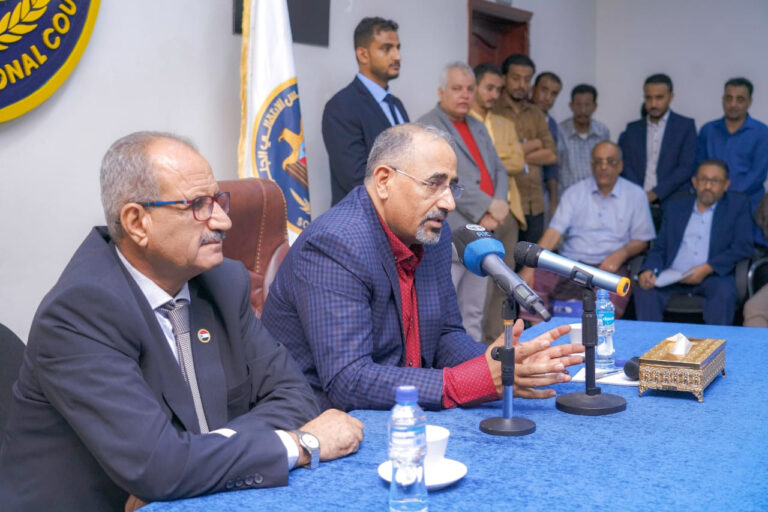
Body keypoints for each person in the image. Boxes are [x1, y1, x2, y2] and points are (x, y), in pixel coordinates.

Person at [0, 132, 364, 511]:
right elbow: (158, 467)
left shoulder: (223, 282)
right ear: (137, 222)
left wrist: (192, 466)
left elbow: (295, 397)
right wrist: (300, 443)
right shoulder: (79, 313)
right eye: (198, 205)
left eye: (217, 201)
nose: (223, 220)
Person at [261, 123, 584, 412]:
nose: (449, 203)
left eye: (451, 186)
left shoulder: (432, 237)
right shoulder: (336, 244)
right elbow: (349, 380)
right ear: (384, 180)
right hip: (320, 421)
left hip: (402, 408)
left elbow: (444, 335)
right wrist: (472, 381)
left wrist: (506, 364)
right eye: (433, 184)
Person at [418, 62, 510, 340]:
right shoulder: (427, 126)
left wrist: (499, 204)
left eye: (469, 89)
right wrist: (486, 207)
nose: (465, 95)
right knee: (444, 313)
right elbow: (440, 178)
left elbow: (499, 169)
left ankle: (473, 362)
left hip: (484, 231)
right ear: (441, 92)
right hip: (451, 231)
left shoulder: (477, 125)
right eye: (457, 88)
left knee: (474, 311)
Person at [520, 141, 655, 318]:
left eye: (610, 162)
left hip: (609, 265)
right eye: (598, 162)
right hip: (570, 263)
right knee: (530, 283)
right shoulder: (574, 192)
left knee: (608, 298)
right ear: (591, 165)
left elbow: (642, 240)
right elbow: (554, 232)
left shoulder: (635, 195)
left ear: (620, 166)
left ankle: (599, 336)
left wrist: (621, 254)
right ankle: (541, 334)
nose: (603, 167)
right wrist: (530, 267)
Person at [635, 160, 753, 325]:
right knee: (645, 291)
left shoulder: (736, 207)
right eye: (703, 179)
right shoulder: (676, 206)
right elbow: (660, 247)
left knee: (724, 292)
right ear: (694, 182)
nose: (708, 186)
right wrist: (649, 269)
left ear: (726, 185)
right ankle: (650, 341)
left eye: (715, 181)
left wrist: (707, 268)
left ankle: (715, 341)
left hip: (712, 275)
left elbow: (743, 246)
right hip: (672, 274)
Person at [468, 62, 526, 343]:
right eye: (489, 88)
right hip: (474, 214)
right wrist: (498, 159)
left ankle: (495, 341)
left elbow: (518, 162)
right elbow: (470, 169)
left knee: (503, 282)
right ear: (474, 87)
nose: (494, 95)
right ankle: (473, 344)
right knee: (474, 282)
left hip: (508, 213)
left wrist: (493, 160)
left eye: (498, 89)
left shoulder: (505, 123)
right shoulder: (462, 123)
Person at [322, 17, 409, 205]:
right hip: (360, 217)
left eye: (398, 48)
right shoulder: (341, 106)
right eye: (387, 48)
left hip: (398, 215)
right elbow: (355, 178)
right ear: (363, 55)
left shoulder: (396, 104)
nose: (397, 56)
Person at [493, 53, 557, 249]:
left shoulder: (536, 113)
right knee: (503, 262)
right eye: (516, 78)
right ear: (504, 79)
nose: (522, 84)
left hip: (534, 204)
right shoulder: (493, 111)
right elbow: (495, 157)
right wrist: (534, 143)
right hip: (506, 205)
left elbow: (551, 155)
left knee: (530, 261)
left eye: (527, 79)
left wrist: (513, 156)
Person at [697, 77, 768, 245]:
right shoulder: (708, 130)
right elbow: (698, 167)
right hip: (709, 200)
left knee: (746, 248)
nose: (733, 104)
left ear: (749, 101)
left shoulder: (762, 133)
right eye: (729, 98)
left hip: (748, 203)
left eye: (740, 99)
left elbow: (757, 174)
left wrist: (726, 197)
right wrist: (712, 194)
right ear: (723, 99)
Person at [619, 74, 697, 214]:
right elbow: (626, 165)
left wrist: (656, 193)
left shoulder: (685, 126)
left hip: (674, 202)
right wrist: (640, 194)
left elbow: (686, 167)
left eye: (659, 97)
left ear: (671, 96)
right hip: (637, 202)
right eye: (648, 98)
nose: (653, 104)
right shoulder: (632, 129)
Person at [557, 84, 610, 195]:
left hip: (596, 196)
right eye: (578, 105)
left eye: (587, 105)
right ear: (571, 105)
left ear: (595, 106)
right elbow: (555, 169)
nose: (583, 110)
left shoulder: (602, 132)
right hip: (568, 196)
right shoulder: (560, 132)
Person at [531, 71, 563, 219]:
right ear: (533, 89)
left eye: (554, 94)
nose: (547, 97)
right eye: (544, 90)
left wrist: (553, 201)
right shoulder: (519, 116)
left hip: (540, 191)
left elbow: (552, 166)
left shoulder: (552, 124)